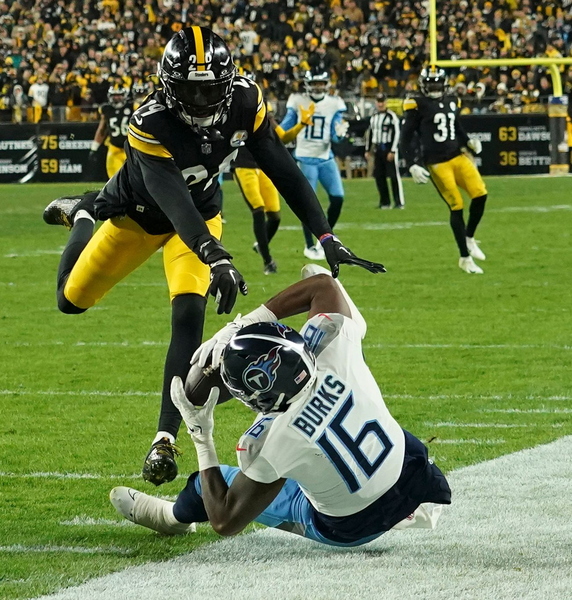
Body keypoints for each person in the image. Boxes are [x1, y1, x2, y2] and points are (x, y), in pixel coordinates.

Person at [42, 27, 384, 487]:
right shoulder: (150, 121)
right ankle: (83, 212)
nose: (202, 100)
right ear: (168, 86)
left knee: (189, 315)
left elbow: (280, 166)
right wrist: (216, 254)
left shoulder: (245, 100)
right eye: (190, 89)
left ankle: (164, 438)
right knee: (71, 300)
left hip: (201, 217)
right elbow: (170, 199)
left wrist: (325, 235)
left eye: (210, 88)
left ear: (228, 82)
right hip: (139, 217)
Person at [111, 265, 451, 545]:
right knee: (331, 301)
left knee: (210, 486)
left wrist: (202, 437)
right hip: (412, 471)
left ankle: (172, 518)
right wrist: (241, 325)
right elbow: (322, 284)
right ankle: (402, 504)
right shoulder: (333, 345)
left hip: (354, 524)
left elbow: (225, 520)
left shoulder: (272, 440)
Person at [400, 67, 488, 275]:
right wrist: (412, 163)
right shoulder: (416, 103)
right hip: (436, 162)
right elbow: (406, 136)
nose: (434, 88)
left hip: (457, 155)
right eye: (430, 84)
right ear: (423, 85)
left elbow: (456, 127)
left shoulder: (451, 100)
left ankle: (469, 237)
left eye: (437, 84)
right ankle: (465, 258)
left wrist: (468, 142)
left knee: (480, 194)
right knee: (456, 205)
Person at [233, 71, 313, 275]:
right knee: (258, 210)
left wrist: (302, 125)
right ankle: (268, 261)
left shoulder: (263, 112)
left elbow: (283, 138)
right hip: (243, 166)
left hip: (261, 168)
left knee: (275, 216)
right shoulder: (231, 112)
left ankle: (262, 245)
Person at [280, 70, 349, 261]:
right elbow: (285, 126)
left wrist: (340, 133)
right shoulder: (297, 100)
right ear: (308, 84)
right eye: (315, 83)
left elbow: (335, 133)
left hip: (326, 157)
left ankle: (324, 237)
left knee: (338, 198)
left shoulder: (334, 103)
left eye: (321, 83)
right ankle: (309, 244)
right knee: (308, 203)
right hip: (305, 157)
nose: (318, 87)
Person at [365, 94, 404, 209]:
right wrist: (368, 150)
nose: (380, 104)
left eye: (382, 101)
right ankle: (384, 202)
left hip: (388, 148)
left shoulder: (392, 116)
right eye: (378, 101)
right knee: (379, 176)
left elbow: (397, 134)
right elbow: (370, 134)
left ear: (386, 102)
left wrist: (392, 150)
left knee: (393, 176)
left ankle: (398, 202)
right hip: (377, 149)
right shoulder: (374, 117)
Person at [90, 84, 132, 179]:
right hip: (114, 149)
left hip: (131, 150)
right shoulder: (106, 109)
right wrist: (94, 148)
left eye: (119, 95)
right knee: (115, 181)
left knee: (133, 180)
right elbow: (102, 129)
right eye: (114, 95)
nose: (117, 98)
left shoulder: (133, 107)